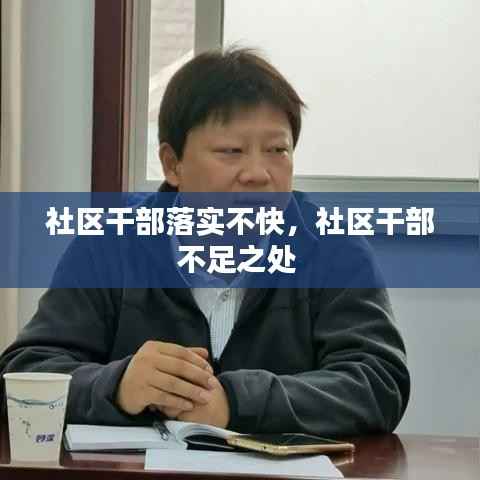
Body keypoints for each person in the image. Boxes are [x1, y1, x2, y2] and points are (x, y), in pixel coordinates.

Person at [0, 48, 410, 436]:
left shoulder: (333, 249)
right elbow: (22, 375)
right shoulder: (109, 246)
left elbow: (378, 382)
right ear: (172, 164)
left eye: (277, 150)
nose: (258, 174)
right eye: (231, 151)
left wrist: (236, 402)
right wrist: (117, 386)